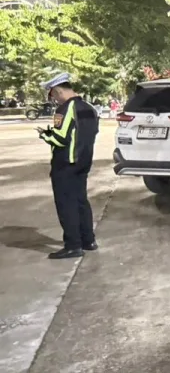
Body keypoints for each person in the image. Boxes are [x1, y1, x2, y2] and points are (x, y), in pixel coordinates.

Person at [36, 73, 100, 259]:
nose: (54, 100)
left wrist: (45, 135)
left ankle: (73, 246)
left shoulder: (65, 109)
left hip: (66, 163)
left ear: (58, 91)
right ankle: (88, 241)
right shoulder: (89, 108)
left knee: (66, 204)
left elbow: (61, 138)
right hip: (84, 161)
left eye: (53, 95)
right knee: (81, 201)